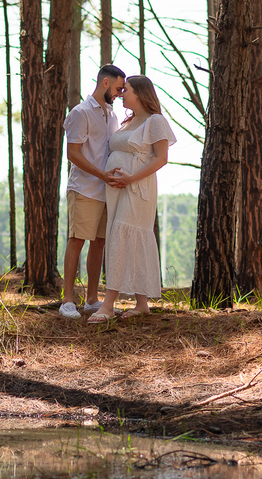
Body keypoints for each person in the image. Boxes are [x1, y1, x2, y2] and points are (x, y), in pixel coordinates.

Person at [88, 76, 175, 324]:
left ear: (140, 94)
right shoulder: (127, 121)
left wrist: (132, 178)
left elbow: (161, 158)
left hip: (138, 189)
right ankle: (141, 303)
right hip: (118, 188)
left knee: (123, 235)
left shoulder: (155, 121)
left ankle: (107, 304)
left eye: (126, 90)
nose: (121, 93)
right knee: (125, 236)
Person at [59, 65, 127, 321]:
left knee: (99, 243)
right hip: (85, 188)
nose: (121, 94)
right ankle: (67, 301)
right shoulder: (80, 112)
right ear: (106, 82)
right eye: (119, 88)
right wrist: (102, 175)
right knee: (77, 240)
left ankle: (90, 300)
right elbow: (73, 153)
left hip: (106, 191)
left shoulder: (111, 115)